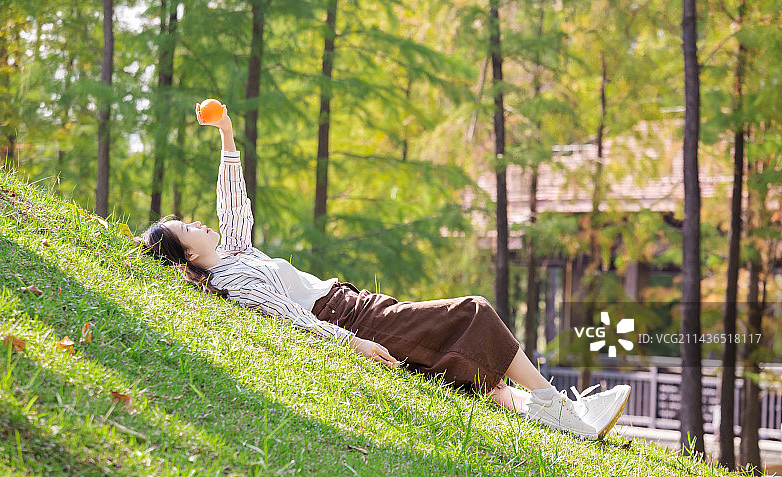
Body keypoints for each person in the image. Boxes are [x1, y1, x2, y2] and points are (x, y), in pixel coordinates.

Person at [136, 103, 631, 440]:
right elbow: (289, 317)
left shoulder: (235, 255)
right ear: (187, 257)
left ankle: (548, 410)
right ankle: (562, 410)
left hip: (347, 302)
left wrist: (225, 132)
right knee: (472, 312)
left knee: (445, 353)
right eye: (187, 227)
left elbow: (234, 202)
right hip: (343, 315)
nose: (199, 222)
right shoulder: (232, 279)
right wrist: (353, 342)